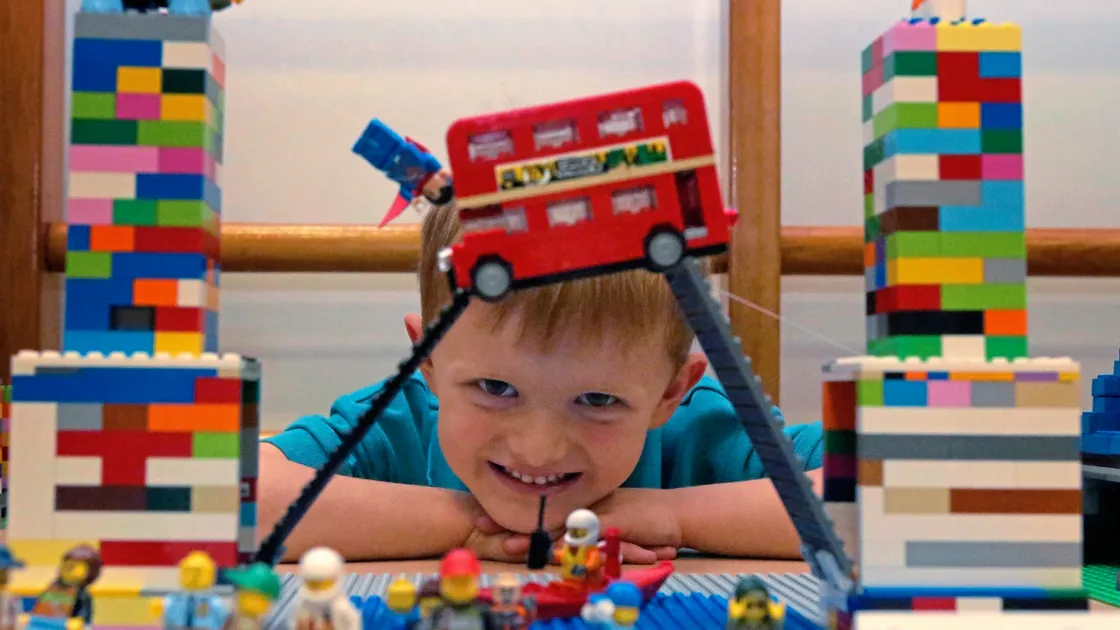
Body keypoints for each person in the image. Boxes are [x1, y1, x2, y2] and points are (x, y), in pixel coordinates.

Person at [259, 195, 824, 563]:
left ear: (670, 393)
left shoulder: (703, 425)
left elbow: (883, 487)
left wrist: (672, 515)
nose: (539, 448)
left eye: (598, 399)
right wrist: (461, 528)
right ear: (425, 360)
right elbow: (234, 494)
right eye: (495, 389)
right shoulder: (396, 421)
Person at [154, 551, 228, 629]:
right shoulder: (174, 599)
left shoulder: (213, 602)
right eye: (190, 572)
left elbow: (221, 616)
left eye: (198, 572)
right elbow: (164, 608)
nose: (194, 577)